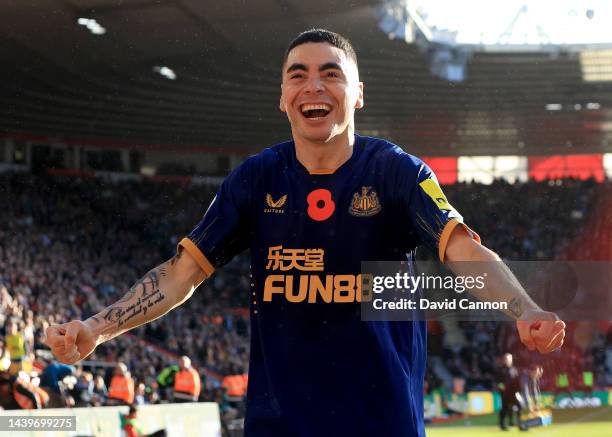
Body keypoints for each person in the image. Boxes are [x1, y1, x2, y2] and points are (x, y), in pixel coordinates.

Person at [45, 29, 566, 436]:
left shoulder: (398, 173)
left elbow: (463, 250)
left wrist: (525, 309)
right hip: (280, 426)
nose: (313, 86)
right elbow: (181, 274)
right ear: (282, 97)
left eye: (330, 74)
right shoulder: (254, 180)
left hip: (381, 424)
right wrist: (96, 329)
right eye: (297, 75)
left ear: (357, 94)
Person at [496, 353, 521, 431]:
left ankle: (518, 423)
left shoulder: (514, 369)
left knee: (519, 406)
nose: (508, 360)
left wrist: (518, 389)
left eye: (509, 359)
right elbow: (498, 382)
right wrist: (502, 389)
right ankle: (502, 424)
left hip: (514, 392)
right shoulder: (500, 370)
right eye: (507, 359)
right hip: (505, 393)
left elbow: (517, 380)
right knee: (505, 408)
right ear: (504, 360)